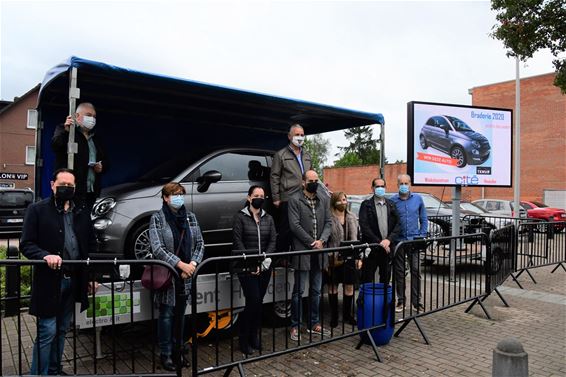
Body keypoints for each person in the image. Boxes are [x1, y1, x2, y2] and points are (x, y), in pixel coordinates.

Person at [20, 168, 98, 375]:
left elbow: (90, 246)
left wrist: (91, 277)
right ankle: (39, 374)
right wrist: (44, 255)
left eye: (70, 186)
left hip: (74, 280)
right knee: (47, 331)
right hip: (49, 281)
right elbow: (26, 244)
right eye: (62, 184)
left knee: (62, 330)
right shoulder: (37, 210)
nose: (66, 188)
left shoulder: (81, 211)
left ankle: (54, 370)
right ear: (52, 185)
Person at [149, 182, 204, 371]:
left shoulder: (191, 217)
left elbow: (200, 244)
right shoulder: (157, 218)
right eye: (174, 194)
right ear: (165, 198)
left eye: (181, 194)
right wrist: (179, 265)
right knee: (166, 316)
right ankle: (166, 355)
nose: (178, 197)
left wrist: (192, 265)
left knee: (181, 316)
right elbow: (157, 248)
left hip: (187, 275)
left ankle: (178, 352)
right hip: (169, 275)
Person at [232, 185, 277, 355]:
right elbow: (238, 241)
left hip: (264, 267)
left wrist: (266, 258)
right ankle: (243, 339)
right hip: (246, 267)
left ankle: (254, 336)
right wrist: (251, 264)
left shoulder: (269, 218)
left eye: (262, 195)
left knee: (259, 304)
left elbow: (273, 240)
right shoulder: (240, 217)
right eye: (256, 195)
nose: (259, 198)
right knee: (253, 301)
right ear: (249, 197)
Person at [288, 170, 332, 341]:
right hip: (303, 251)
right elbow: (294, 225)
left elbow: (329, 222)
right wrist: (311, 242)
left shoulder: (323, 199)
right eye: (310, 180)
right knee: (298, 291)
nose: (314, 183)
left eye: (316, 180)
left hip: (319, 252)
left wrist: (321, 240)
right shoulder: (294, 200)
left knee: (316, 291)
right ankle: (295, 325)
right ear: (303, 182)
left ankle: (314, 323)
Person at [51, 102, 105, 209]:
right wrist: (66, 131)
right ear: (77, 116)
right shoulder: (65, 130)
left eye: (94, 116)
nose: (92, 119)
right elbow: (56, 146)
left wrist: (101, 167)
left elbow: (106, 161)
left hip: (92, 192)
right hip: (71, 192)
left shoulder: (96, 139)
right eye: (89, 115)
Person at [270, 124, 312, 252]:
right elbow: (274, 176)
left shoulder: (307, 155)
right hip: (288, 198)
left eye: (302, 135)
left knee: (303, 229)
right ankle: (279, 259)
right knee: (286, 229)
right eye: (297, 135)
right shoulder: (280, 155)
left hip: (304, 197)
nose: (299, 137)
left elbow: (311, 174)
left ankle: (296, 258)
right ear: (289, 136)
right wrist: (276, 198)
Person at [389, 174, 428, 313]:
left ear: (410, 183)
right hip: (398, 242)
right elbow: (390, 222)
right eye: (401, 183)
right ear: (397, 184)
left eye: (406, 183)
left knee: (416, 271)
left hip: (414, 241)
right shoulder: (392, 201)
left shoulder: (418, 199)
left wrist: (422, 235)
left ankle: (417, 302)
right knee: (399, 272)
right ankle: (400, 301)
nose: (404, 185)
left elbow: (424, 219)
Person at [325, 191, 361, 327]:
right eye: (340, 200)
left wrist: (358, 257)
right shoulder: (329, 218)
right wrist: (326, 259)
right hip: (333, 258)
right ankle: (334, 317)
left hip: (349, 258)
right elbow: (326, 240)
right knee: (333, 287)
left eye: (345, 199)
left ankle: (347, 315)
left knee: (349, 286)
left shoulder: (351, 217)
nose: (343, 202)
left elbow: (356, 239)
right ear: (334, 202)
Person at [358, 178, 401, 284]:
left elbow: (398, 224)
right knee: (367, 278)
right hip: (372, 248)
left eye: (382, 186)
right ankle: (365, 300)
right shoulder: (366, 205)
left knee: (385, 278)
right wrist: (380, 242)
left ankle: (384, 301)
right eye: (377, 186)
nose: (380, 188)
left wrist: (388, 240)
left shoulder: (391, 204)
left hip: (387, 249)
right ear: (372, 188)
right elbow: (364, 226)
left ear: (385, 188)